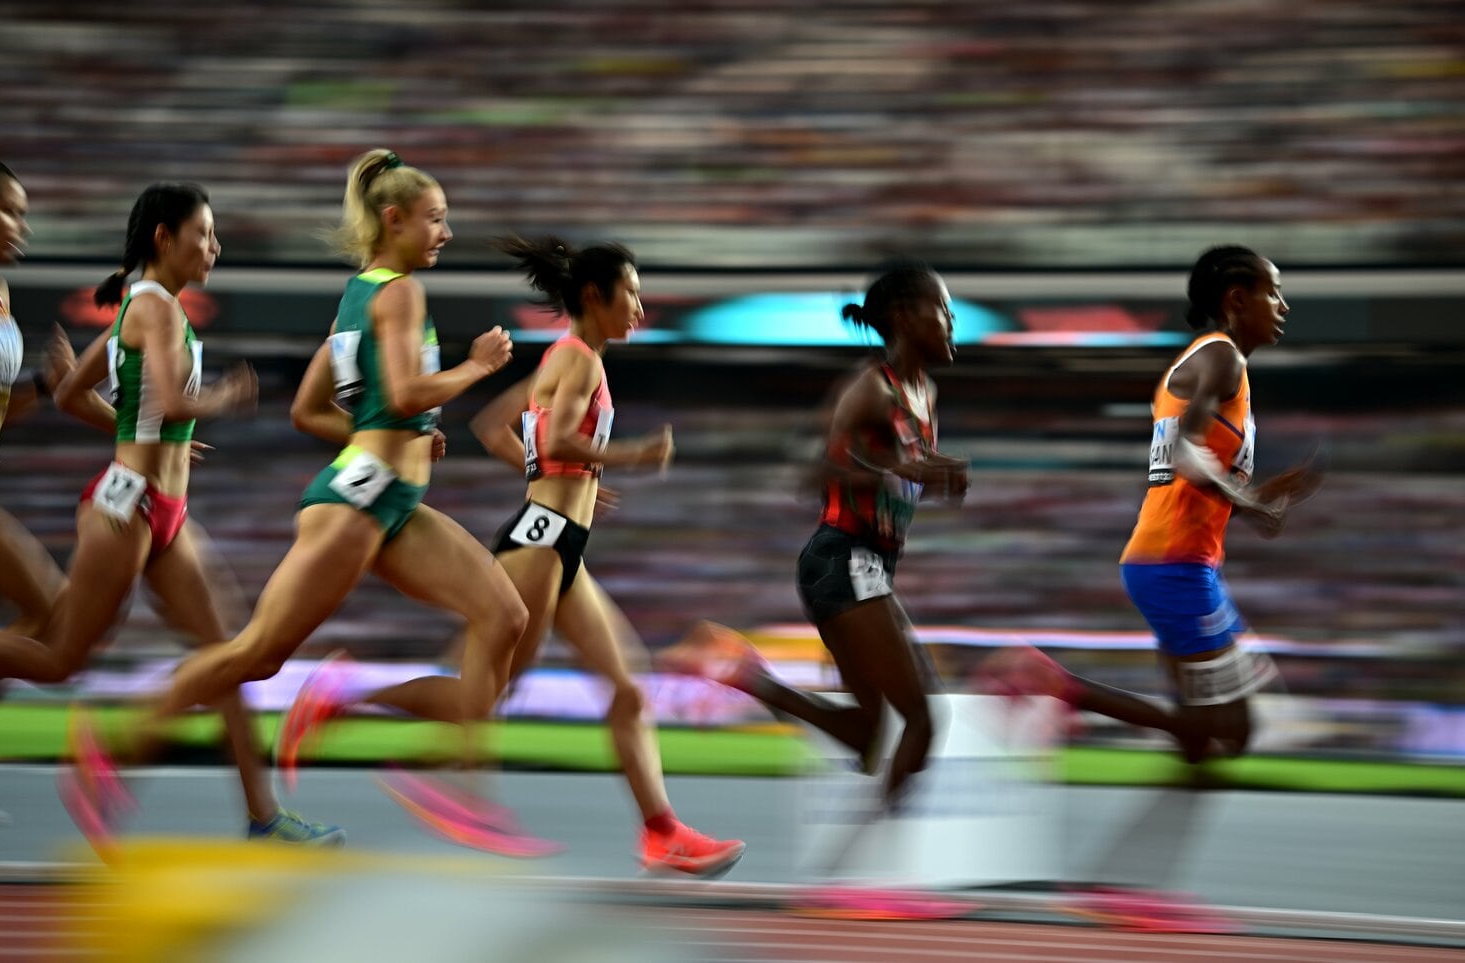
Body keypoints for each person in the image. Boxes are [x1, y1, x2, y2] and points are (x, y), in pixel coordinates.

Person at [56, 150, 534, 855]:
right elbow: (401, 393)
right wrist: (476, 366)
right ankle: (116, 742)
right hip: (356, 503)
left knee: (505, 614)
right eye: (436, 219)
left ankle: (449, 780)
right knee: (254, 652)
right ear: (393, 220)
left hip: (388, 496)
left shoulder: (358, 295)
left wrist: (398, 431)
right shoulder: (398, 293)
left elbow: (312, 412)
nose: (447, 232)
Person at [281, 234, 746, 874]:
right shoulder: (578, 360)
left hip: (559, 539)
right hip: (543, 539)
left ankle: (660, 831)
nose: (640, 305)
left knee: (626, 692)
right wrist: (626, 456)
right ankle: (352, 701)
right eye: (632, 292)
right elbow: (554, 437)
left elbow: (495, 427)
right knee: (482, 697)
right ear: (594, 296)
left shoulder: (569, 358)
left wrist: (569, 475)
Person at [0, 180, 343, 847]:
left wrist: (156, 438)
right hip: (126, 507)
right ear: (165, 237)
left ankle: (264, 816)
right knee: (60, 659)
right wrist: (223, 397)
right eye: (204, 233)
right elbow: (170, 397)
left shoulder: (154, 307)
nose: (215, 246)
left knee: (225, 654)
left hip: (163, 506)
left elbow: (75, 394)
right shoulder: (154, 307)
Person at [977, 245, 1323, 762]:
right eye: (1272, 291)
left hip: (1177, 562)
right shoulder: (1220, 355)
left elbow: (1195, 468)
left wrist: (1263, 495)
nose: (1282, 304)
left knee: (1203, 741)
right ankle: (1057, 685)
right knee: (1229, 734)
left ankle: (1069, 692)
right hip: (1174, 565)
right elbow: (1186, 452)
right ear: (1236, 298)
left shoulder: (1217, 362)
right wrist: (1251, 503)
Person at [662, 261, 968, 820]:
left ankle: (744, 675)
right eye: (942, 309)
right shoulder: (872, 387)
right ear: (904, 316)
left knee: (868, 737)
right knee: (924, 720)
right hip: (841, 558)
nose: (952, 321)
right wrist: (902, 471)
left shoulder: (927, 392)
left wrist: (929, 468)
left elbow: (897, 463)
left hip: (870, 565)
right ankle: (879, 872)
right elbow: (813, 471)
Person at [0, 151, 75, 823]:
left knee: (50, 621)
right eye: (9, 211)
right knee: (56, 608)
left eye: (25, 215)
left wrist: (46, 386)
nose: (21, 228)